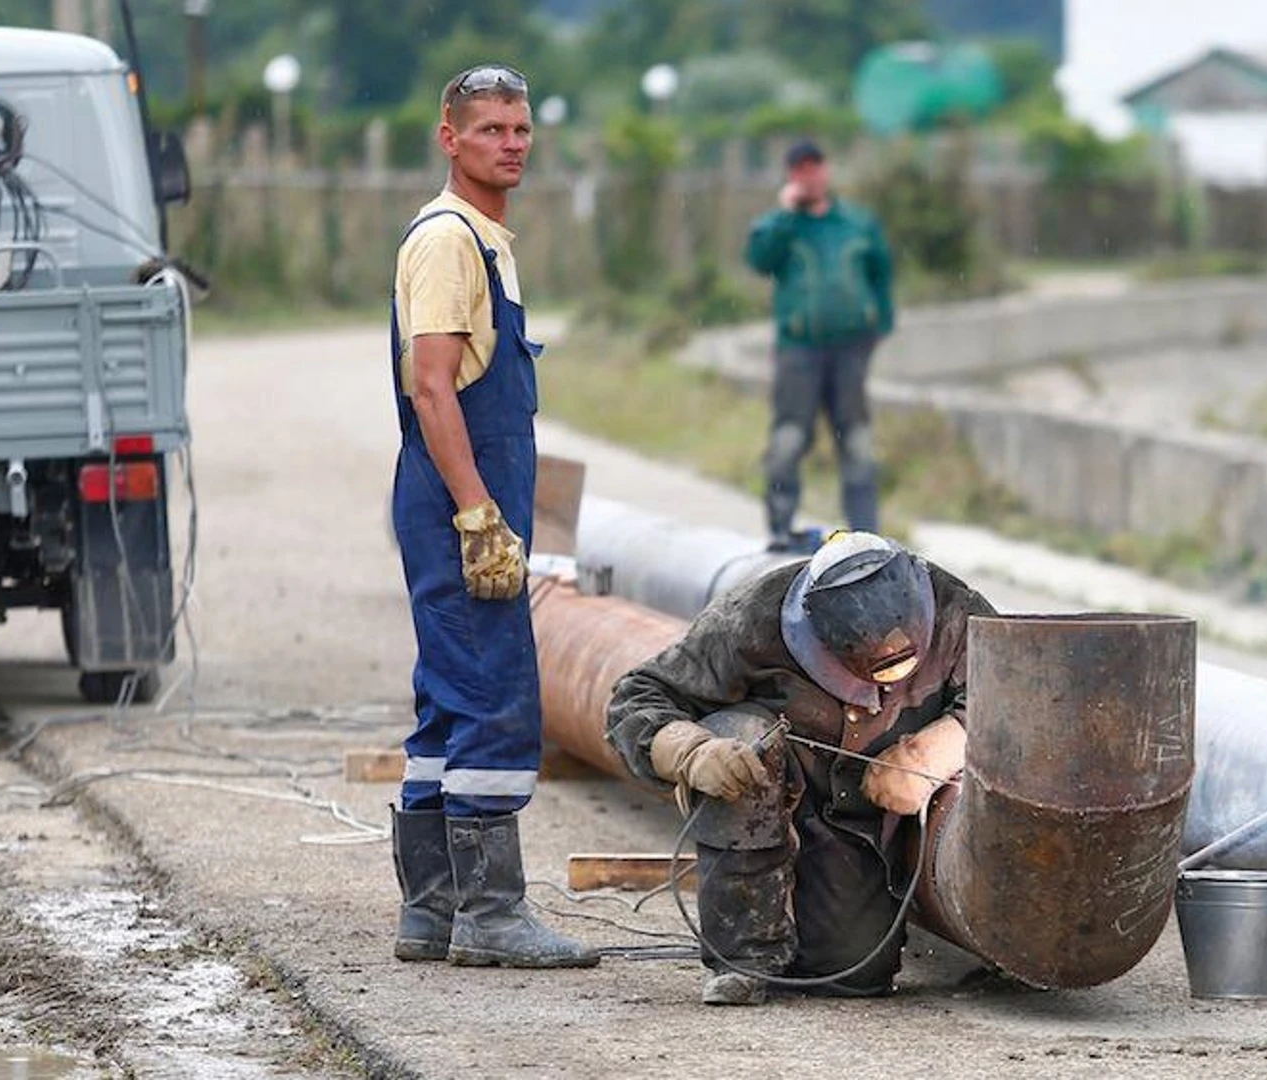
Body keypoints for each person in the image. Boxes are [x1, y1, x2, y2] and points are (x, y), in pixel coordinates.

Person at [385, 64, 597, 970]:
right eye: (490, 130)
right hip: (455, 500)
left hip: (463, 497)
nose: (510, 144)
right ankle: (492, 916)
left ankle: (430, 914)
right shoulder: (447, 241)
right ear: (450, 137)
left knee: (447, 697)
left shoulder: (488, 240)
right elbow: (433, 388)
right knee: (495, 696)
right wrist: (477, 514)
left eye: (520, 129)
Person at [606, 532, 995, 1004]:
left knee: (853, 975)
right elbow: (638, 695)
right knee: (742, 738)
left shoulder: (957, 612)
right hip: (777, 783)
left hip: (864, 820)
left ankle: (821, 927)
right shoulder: (758, 618)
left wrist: (943, 746)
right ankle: (744, 956)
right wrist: (690, 751)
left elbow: (1028, 695)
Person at [744, 141, 897, 553]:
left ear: (826, 171)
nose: (808, 176)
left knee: (858, 444)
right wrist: (784, 214)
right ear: (791, 176)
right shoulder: (782, 226)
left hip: (850, 352)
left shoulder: (857, 224)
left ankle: (868, 539)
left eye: (814, 168)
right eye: (799, 170)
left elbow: (881, 274)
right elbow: (759, 259)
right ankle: (780, 528)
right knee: (789, 441)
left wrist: (876, 325)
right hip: (800, 352)